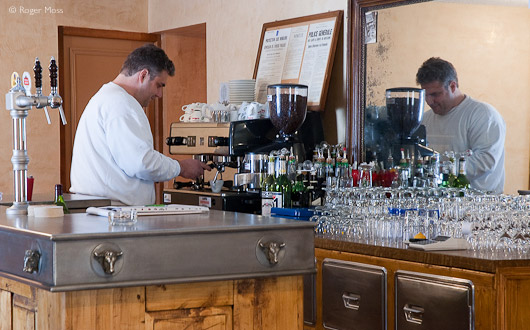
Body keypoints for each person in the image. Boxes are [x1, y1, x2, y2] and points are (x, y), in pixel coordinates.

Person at [70, 44, 210, 205]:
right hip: (113, 215)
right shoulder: (121, 104)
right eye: (159, 85)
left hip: (101, 210)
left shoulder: (106, 98)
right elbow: (141, 163)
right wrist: (181, 167)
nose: (159, 94)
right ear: (143, 75)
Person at [416, 57, 506, 193]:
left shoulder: (483, 115)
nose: (429, 101)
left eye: (435, 94)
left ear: (452, 86)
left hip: (479, 203)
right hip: (438, 200)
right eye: (425, 95)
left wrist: (440, 167)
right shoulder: (426, 119)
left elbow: (485, 162)